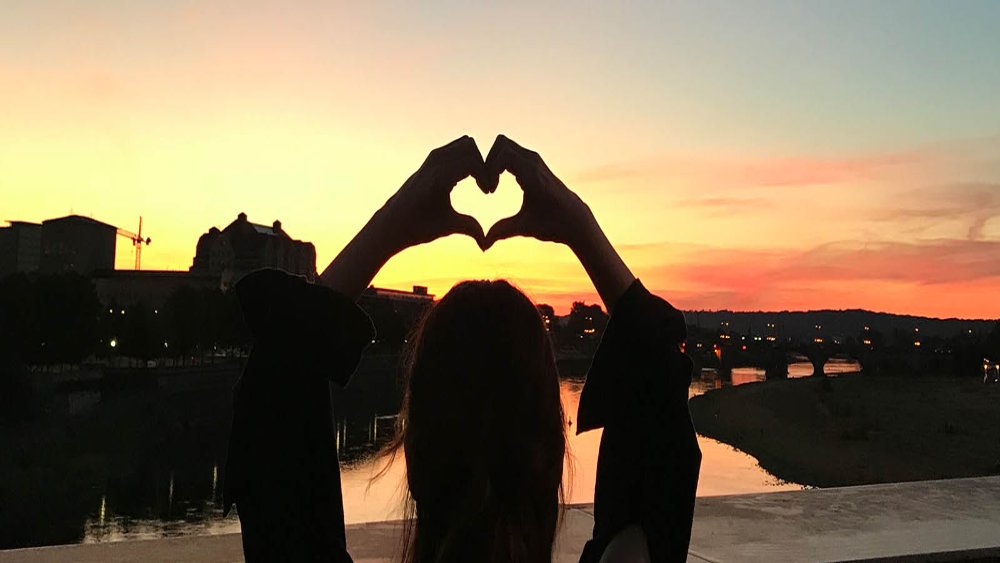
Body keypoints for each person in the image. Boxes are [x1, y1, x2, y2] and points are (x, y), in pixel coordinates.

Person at [222, 135, 702, 562]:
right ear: (555, 459)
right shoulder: (632, 552)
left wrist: (391, 224)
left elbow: (275, 396)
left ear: (412, 460)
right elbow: (661, 413)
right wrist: (579, 227)